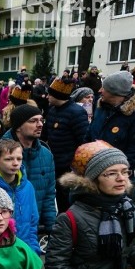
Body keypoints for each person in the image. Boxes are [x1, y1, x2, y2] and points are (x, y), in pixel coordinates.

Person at [0, 105, 56, 235]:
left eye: (41, 120)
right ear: (18, 127)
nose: (40, 125)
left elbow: (49, 196)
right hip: (0, 231)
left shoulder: (46, 155)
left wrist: (52, 229)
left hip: (31, 229)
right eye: (33, 121)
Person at [42, 76, 90, 213]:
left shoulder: (76, 112)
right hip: (54, 163)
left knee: (67, 198)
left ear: (58, 95)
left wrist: (74, 165)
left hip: (68, 166)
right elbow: (46, 135)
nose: (47, 97)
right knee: (57, 196)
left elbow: (83, 141)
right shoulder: (52, 110)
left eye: (50, 94)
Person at [0, 140, 42, 254]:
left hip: (23, 250)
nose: (15, 163)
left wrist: (33, 250)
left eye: (19, 159)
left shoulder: (27, 187)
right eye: (9, 159)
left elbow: (33, 221)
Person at [88, 70, 135, 169]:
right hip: (94, 168)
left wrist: (118, 171)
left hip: (116, 174)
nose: (100, 91)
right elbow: (89, 134)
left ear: (115, 92)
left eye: (104, 88)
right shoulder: (100, 107)